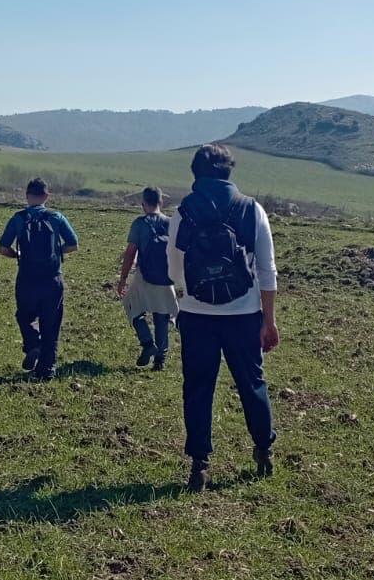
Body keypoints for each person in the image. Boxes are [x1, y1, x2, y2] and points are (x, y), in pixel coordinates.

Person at [168, 144, 279, 491]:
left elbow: (174, 268)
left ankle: (200, 464)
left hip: (196, 316)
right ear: (229, 172)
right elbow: (267, 270)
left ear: (195, 174)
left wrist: (195, 292)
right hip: (244, 314)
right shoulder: (252, 209)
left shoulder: (183, 212)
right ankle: (263, 449)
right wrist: (269, 319)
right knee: (252, 384)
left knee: (198, 388)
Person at [0, 178, 79, 381]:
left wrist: (18, 255)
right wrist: (57, 252)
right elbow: (73, 244)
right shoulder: (56, 217)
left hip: (26, 277)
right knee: (51, 323)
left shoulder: (19, 218)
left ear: (27, 196)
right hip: (52, 278)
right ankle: (47, 369)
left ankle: (33, 343)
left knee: (24, 316)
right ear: (46, 196)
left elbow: (3, 248)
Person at [116, 186, 179, 371]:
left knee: (132, 307)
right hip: (167, 278)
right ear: (161, 202)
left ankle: (147, 343)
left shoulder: (139, 224)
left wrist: (123, 279)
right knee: (162, 316)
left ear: (143, 203)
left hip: (145, 275)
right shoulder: (171, 223)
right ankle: (160, 359)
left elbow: (130, 253)